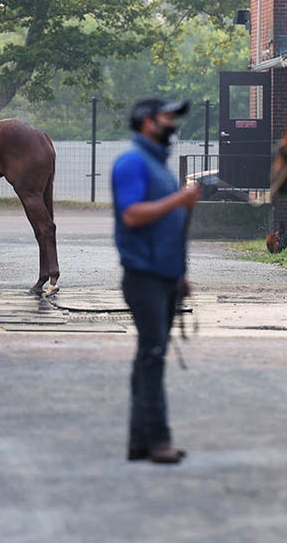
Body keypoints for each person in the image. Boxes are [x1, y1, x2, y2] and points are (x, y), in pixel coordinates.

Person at [111, 97, 200, 465]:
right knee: (152, 356)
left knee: (148, 359)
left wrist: (179, 276)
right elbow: (132, 215)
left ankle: (139, 441)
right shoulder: (133, 162)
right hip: (144, 277)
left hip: (164, 277)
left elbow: (167, 228)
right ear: (147, 122)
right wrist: (180, 200)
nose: (173, 124)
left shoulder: (157, 165)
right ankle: (158, 440)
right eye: (167, 117)